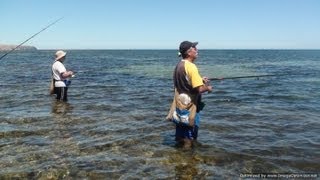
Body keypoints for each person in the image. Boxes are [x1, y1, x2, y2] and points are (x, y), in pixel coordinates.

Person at [166, 41, 213, 148]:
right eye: (194, 48)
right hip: (190, 106)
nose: (197, 50)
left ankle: (178, 153)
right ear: (188, 52)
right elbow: (200, 89)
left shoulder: (179, 65)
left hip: (180, 105)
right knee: (190, 134)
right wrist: (208, 88)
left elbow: (185, 82)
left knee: (180, 131)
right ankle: (188, 159)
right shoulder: (191, 67)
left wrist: (200, 79)